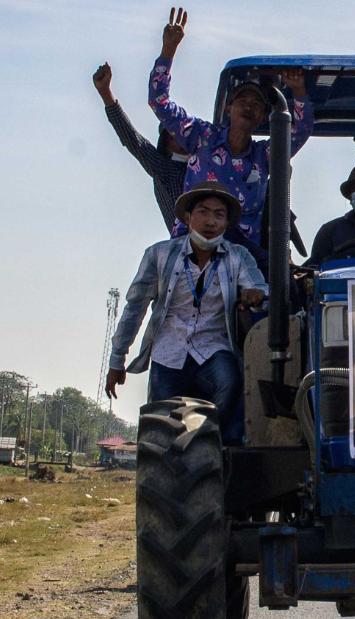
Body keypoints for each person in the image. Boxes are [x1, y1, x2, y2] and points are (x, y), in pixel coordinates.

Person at [105, 181, 269, 446]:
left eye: (219, 215)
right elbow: (134, 308)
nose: (210, 221)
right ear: (187, 217)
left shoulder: (238, 256)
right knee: (161, 430)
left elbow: (259, 288)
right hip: (168, 351)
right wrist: (117, 360)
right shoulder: (160, 255)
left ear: (226, 223)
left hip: (213, 348)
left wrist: (256, 296)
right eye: (203, 212)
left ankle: (211, 447)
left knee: (231, 382)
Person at [148, 7, 314, 264]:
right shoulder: (201, 136)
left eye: (256, 104)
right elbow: (159, 102)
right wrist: (168, 51)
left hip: (240, 252)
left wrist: (299, 93)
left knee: (281, 281)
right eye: (242, 100)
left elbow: (299, 133)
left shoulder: (264, 155)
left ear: (262, 117)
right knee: (161, 267)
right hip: (191, 245)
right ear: (229, 108)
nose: (248, 106)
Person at [93, 62, 188, 236]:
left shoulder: (207, 162)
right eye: (176, 132)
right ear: (167, 141)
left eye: (185, 130)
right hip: (185, 251)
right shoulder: (164, 168)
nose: (183, 136)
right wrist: (106, 94)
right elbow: (134, 141)